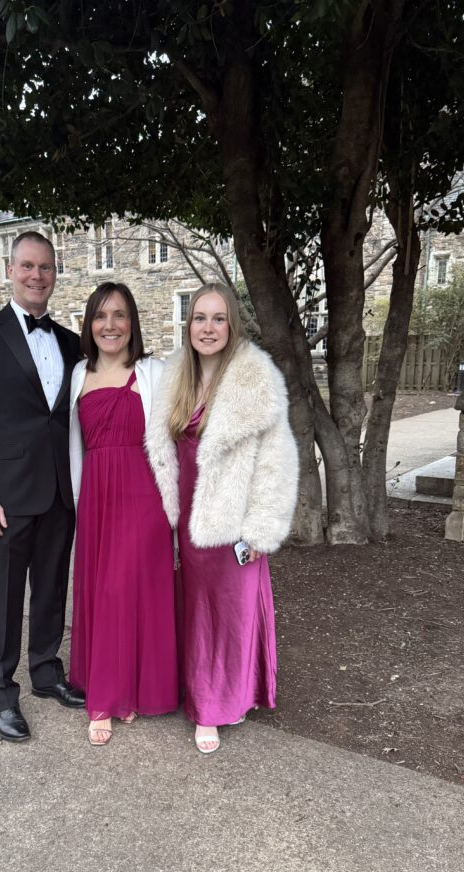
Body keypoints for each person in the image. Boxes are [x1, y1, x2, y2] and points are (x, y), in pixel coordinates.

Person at [146, 283, 298, 754]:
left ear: (232, 325)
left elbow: (277, 462)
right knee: (194, 613)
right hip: (187, 521)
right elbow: (162, 453)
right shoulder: (175, 378)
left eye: (218, 319)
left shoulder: (256, 379)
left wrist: (259, 531)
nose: (207, 328)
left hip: (232, 525)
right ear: (188, 325)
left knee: (228, 616)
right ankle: (195, 689)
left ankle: (214, 707)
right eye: (199, 318)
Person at [0, 231, 85, 743]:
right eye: (27, 266)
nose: (37, 276)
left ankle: (47, 673)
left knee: (51, 589)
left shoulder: (72, 343)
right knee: (5, 599)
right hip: (5, 497)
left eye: (45, 267)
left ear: (55, 274)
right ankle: (1, 694)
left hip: (59, 493)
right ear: (10, 270)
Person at [69, 282, 178, 745]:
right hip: (96, 497)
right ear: (89, 324)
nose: (109, 325)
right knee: (106, 590)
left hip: (143, 495)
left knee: (131, 589)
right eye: (100, 315)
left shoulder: (155, 372)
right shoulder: (77, 375)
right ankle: (112, 691)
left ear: (132, 322)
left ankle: (122, 691)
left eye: (119, 315)